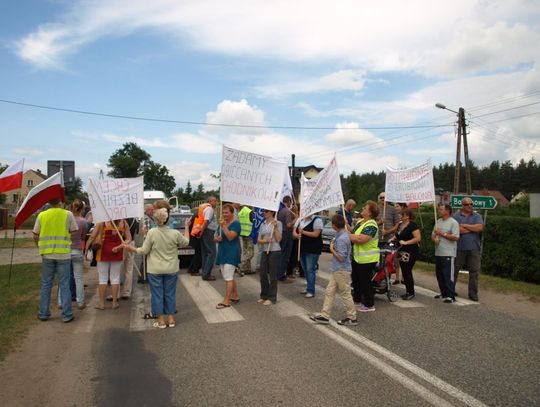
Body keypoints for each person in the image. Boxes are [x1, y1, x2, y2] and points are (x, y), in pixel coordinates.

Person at [125, 205, 190, 328]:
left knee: (157, 295)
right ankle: (170, 319)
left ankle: (160, 321)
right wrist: (186, 227)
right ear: (167, 219)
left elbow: (144, 250)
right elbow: (186, 242)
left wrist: (131, 248)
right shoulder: (175, 233)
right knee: (169, 294)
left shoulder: (152, 233)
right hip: (171, 268)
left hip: (155, 269)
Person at [33, 197, 79, 323]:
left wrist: (39, 246)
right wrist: (66, 235)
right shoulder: (67, 214)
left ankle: (43, 313)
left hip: (47, 254)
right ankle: (67, 314)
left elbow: (35, 234)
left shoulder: (42, 215)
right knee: (64, 284)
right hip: (63, 253)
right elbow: (74, 231)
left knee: (46, 284)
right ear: (60, 202)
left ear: (48, 202)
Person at [310, 214, 357, 326]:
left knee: (345, 293)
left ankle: (352, 317)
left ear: (334, 225)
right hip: (338, 270)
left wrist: (331, 249)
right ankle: (325, 315)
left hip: (341, 270)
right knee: (329, 291)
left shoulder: (342, 238)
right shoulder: (341, 235)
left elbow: (341, 257)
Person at [87, 218, 132, 310]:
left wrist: (87, 247)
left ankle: (101, 303)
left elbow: (92, 236)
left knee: (103, 279)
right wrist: (120, 246)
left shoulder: (102, 222)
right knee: (115, 278)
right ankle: (114, 303)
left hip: (102, 252)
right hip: (117, 252)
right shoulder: (123, 223)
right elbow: (129, 238)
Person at [350, 200, 379, 312]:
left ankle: (369, 304)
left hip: (367, 259)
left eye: (365, 208)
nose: (363, 209)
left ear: (370, 213)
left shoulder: (372, 224)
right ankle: (356, 301)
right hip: (357, 257)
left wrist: (347, 235)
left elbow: (361, 239)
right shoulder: (361, 221)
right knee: (356, 281)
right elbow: (353, 233)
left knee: (365, 282)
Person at [453, 198, 483, 301]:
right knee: (454, 270)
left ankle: (473, 294)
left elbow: (479, 228)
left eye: (471, 204)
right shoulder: (456, 216)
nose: (469, 206)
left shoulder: (477, 216)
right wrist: (472, 229)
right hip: (459, 248)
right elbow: (456, 230)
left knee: (474, 272)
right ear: (462, 205)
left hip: (474, 248)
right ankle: (451, 290)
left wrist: (465, 226)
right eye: (467, 204)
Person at [214, 204, 241, 309]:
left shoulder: (236, 224)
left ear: (232, 213)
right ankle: (235, 295)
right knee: (227, 276)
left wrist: (224, 226)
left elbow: (230, 237)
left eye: (226, 213)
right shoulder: (221, 223)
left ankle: (226, 300)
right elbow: (215, 236)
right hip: (222, 252)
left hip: (232, 252)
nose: (224, 215)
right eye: (223, 212)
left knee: (228, 278)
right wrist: (217, 238)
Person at [431, 204, 460, 303]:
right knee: (440, 274)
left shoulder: (453, 223)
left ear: (448, 211)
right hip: (438, 252)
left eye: (441, 209)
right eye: (439, 209)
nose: (439, 210)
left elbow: (456, 237)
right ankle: (443, 292)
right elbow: (433, 235)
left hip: (448, 252)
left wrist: (442, 234)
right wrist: (435, 239)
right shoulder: (438, 221)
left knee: (448, 274)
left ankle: (451, 295)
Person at [392, 208, 421, 300]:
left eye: (402, 215)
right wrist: (392, 239)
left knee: (407, 270)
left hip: (411, 251)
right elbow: (397, 235)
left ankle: (410, 292)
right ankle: (408, 290)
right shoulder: (400, 224)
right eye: (400, 214)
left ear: (407, 216)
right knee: (404, 270)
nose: (400, 216)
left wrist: (406, 242)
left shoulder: (413, 225)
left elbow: (417, 238)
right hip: (402, 251)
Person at [293, 213, 323, 298]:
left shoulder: (317, 220)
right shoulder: (300, 220)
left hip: (313, 249)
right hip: (302, 248)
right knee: (305, 269)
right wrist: (296, 235)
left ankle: (311, 290)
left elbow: (316, 234)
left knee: (310, 269)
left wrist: (303, 232)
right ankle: (308, 287)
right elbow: (294, 232)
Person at [257, 209, 283, 305]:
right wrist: (266, 241)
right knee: (262, 273)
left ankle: (272, 298)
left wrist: (275, 228)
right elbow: (259, 239)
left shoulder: (278, 223)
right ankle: (264, 295)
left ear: (272, 212)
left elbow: (279, 239)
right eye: (263, 211)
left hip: (275, 251)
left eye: (266, 211)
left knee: (272, 275)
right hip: (265, 250)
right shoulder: (263, 224)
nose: (264, 213)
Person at [195, 196, 218, 281]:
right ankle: (206, 274)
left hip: (205, 231)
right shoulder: (209, 209)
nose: (216, 202)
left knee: (205, 253)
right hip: (208, 231)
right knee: (212, 253)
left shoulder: (204, 208)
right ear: (209, 201)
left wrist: (201, 231)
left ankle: (205, 272)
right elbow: (206, 221)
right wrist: (202, 231)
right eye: (214, 201)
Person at [277, 196, 297, 282]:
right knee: (285, 255)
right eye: (290, 202)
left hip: (282, 233)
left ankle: (279, 273)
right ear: (288, 202)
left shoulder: (280, 211)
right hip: (287, 234)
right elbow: (289, 224)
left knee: (281, 254)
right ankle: (281, 275)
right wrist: (296, 219)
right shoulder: (287, 212)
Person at [120, 217, 139, 299]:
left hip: (121, 243)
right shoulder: (135, 220)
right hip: (131, 243)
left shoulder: (119, 219)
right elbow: (135, 233)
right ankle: (127, 292)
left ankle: (116, 293)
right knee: (129, 269)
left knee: (118, 269)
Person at [238, 204, 255, 275]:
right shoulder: (250, 212)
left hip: (243, 233)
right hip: (249, 233)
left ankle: (247, 269)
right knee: (250, 253)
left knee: (245, 251)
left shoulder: (240, 212)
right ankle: (242, 266)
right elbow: (253, 223)